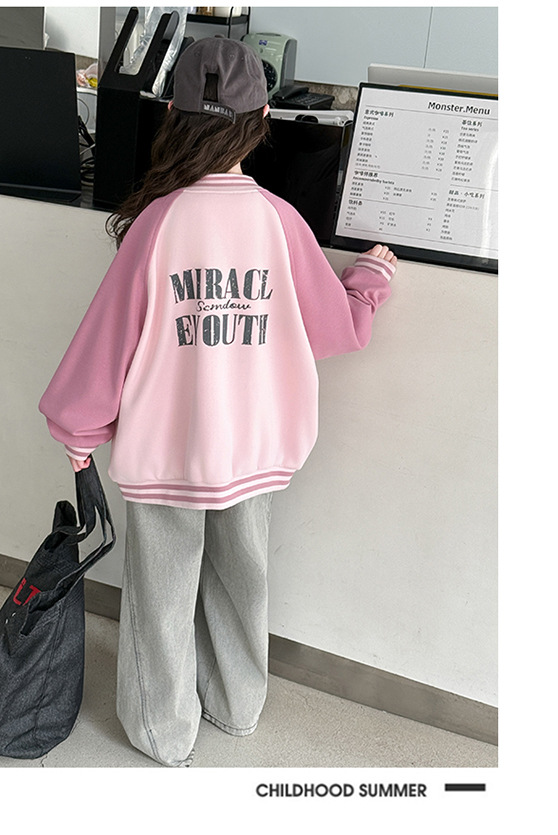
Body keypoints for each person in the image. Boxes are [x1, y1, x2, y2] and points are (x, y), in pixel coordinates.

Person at [39, 37, 397, 767]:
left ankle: (163, 732)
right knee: (242, 583)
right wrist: (368, 280)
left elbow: (108, 340)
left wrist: (79, 428)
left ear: (174, 114)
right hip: (255, 449)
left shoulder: (158, 223)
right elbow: (337, 330)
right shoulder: (280, 221)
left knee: (161, 595)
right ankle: (236, 705)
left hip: (169, 450)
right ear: (262, 118)